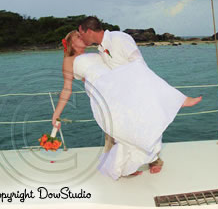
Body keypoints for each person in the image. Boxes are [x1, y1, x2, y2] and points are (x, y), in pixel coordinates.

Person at [52, 30, 202, 180]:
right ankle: (129, 164)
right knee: (121, 126)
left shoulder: (97, 52)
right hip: (102, 90)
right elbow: (67, 89)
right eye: (78, 37)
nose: (82, 37)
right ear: (71, 43)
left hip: (115, 85)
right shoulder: (69, 60)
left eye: (81, 34)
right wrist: (56, 115)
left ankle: (140, 160)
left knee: (135, 116)